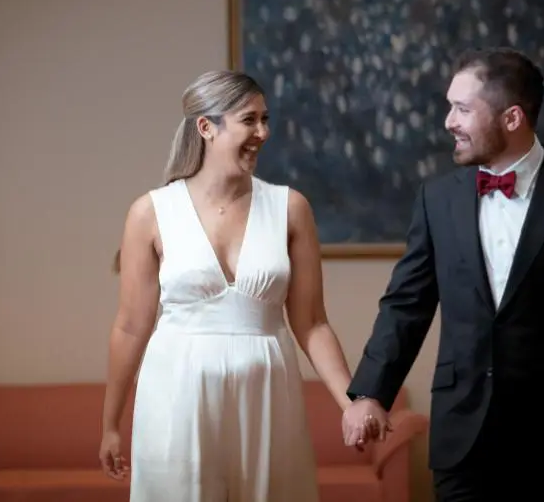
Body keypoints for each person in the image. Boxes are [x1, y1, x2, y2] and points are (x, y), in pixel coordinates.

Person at [341, 47, 544, 501]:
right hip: (461, 434)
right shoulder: (437, 199)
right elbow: (406, 305)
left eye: (462, 109)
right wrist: (370, 393)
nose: (449, 121)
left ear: (512, 118)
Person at [98, 70, 369, 502]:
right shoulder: (150, 213)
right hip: (177, 395)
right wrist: (110, 425)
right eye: (249, 120)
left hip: (267, 396)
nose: (263, 132)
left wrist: (351, 401)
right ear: (206, 127)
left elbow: (313, 323)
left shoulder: (290, 208)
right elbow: (131, 327)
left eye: (265, 119)